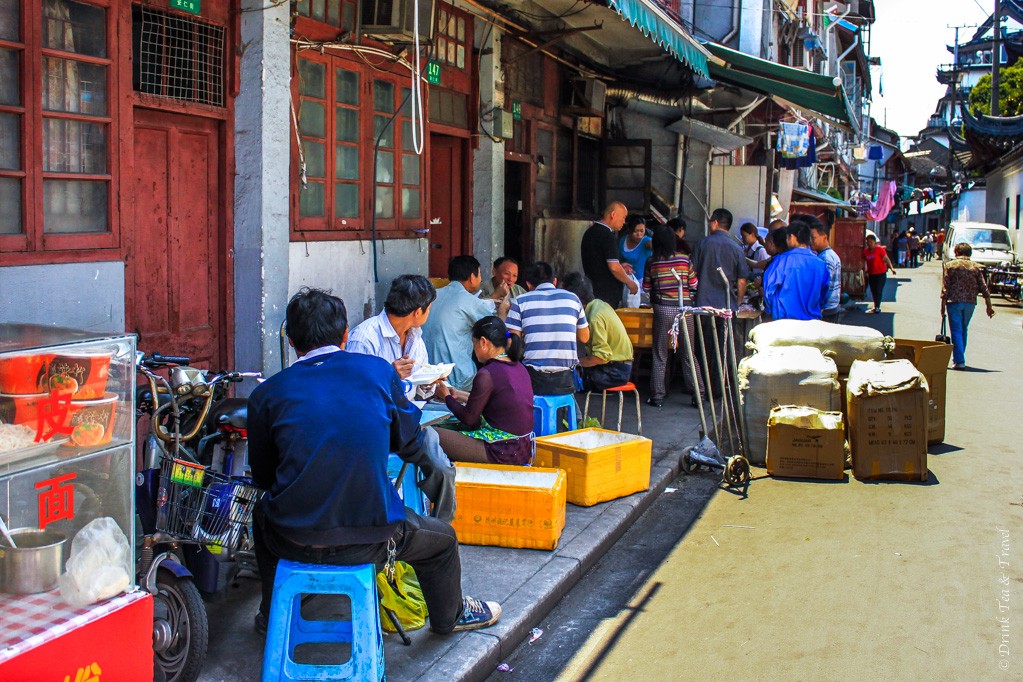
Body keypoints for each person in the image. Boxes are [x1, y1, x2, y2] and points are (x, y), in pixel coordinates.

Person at [248, 288, 500, 637]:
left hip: (292, 538)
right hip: (372, 540)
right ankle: (450, 616)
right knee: (443, 541)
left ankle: (271, 612)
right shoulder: (379, 373)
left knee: (262, 512)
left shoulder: (266, 393)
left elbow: (262, 476)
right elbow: (411, 443)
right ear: (346, 334)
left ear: (291, 341)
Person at [432, 316, 535, 464]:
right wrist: (458, 394)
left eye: (474, 344)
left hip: (501, 450)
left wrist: (447, 397)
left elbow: (469, 418)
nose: (473, 350)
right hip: (524, 447)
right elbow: (496, 402)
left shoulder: (487, 374)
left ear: (483, 342)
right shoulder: (519, 367)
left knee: (430, 434)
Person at [422, 256, 508, 391]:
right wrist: (503, 311)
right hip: (458, 378)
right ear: (472, 277)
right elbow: (496, 330)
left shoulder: (431, 296)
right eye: (479, 274)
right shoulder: (469, 301)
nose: (480, 279)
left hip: (427, 378)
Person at [506, 261, 589, 396]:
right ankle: (573, 416)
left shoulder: (520, 301)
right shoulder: (573, 299)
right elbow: (585, 337)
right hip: (566, 378)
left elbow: (511, 342)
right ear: (554, 281)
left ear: (528, 284)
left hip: (534, 378)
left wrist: (504, 315)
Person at [348, 274, 436, 399]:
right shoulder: (364, 339)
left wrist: (428, 382)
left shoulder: (415, 335)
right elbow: (354, 390)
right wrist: (389, 374)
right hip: (378, 416)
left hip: (407, 413)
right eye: (429, 309)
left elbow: (416, 386)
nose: (429, 313)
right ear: (417, 312)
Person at [642, 224, 701, 407]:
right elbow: (694, 283)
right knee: (688, 353)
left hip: (662, 309)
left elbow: (646, 288)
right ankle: (698, 395)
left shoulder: (652, 262)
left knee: (660, 354)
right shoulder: (684, 260)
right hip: (684, 311)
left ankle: (658, 396)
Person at [561, 272, 634, 392]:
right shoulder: (599, 304)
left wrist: (575, 363)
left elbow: (601, 357)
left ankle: (572, 410)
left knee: (567, 380)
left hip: (615, 372)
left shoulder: (594, 317)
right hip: (617, 366)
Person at [762, 218, 829, 321]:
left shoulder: (781, 261)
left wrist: (774, 310)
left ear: (792, 237)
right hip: (811, 321)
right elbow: (824, 295)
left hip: (784, 321)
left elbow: (768, 290)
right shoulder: (821, 264)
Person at [941, 242, 995, 369]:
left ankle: (959, 361)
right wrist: (989, 306)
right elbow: (984, 288)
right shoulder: (975, 267)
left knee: (956, 331)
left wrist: (942, 306)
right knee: (963, 329)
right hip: (970, 303)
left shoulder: (950, 265)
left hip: (953, 302)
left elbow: (945, 287)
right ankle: (959, 357)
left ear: (956, 253)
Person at [581, 201, 639, 307]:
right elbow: (614, 267)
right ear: (613, 215)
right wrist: (630, 282)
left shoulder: (589, 232)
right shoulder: (607, 236)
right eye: (623, 217)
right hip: (606, 295)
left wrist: (620, 266)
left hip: (591, 290)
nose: (624, 222)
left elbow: (599, 262)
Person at [692, 208, 747, 310]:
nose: (709, 225)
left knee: (703, 327)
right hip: (727, 305)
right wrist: (738, 302)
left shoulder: (701, 244)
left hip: (704, 304)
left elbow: (692, 273)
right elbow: (742, 281)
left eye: (710, 222)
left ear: (715, 223)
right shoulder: (737, 249)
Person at [809, 218, 843, 323]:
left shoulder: (825, 258)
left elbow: (825, 286)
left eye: (813, 238)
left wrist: (820, 308)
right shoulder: (829, 255)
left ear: (824, 237)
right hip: (832, 307)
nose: (810, 241)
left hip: (826, 310)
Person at [862, 234, 896, 313]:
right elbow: (863, 261)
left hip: (881, 274)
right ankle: (875, 305)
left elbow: (887, 259)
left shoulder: (879, 250)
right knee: (873, 290)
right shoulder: (865, 252)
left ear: (874, 242)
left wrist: (892, 268)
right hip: (871, 274)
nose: (869, 244)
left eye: (871, 242)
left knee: (878, 290)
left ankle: (877, 307)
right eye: (868, 242)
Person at [619, 217, 654, 284]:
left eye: (641, 231)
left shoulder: (647, 241)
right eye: (635, 231)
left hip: (643, 284)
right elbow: (619, 259)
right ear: (629, 230)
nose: (639, 235)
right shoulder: (623, 240)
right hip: (626, 281)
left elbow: (652, 245)